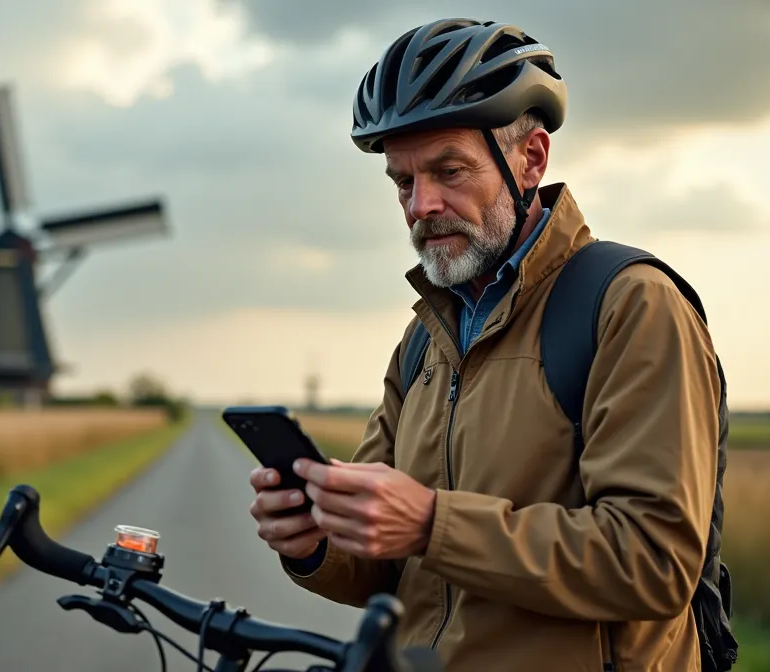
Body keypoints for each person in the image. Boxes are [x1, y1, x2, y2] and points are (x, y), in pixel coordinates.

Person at [248, 18, 725, 671]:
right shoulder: (423, 340)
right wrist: (315, 545)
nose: (421, 205)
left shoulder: (629, 306)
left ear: (530, 158)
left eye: (449, 171)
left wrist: (431, 523)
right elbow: (385, 568)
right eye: (403, 182)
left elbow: (654, 562)